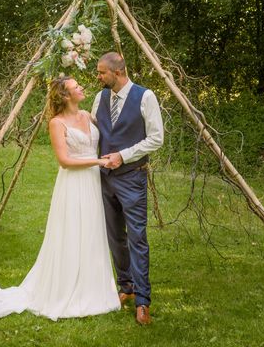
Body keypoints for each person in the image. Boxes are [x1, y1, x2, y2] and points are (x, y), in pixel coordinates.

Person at [0, 76, 121, 320]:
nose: (81, 88)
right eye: (76, 87)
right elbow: (65, 161)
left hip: (93, 182)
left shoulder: (89, 116)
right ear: (65, 96)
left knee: (92, 231)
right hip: (73, 183)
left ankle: (93, 286)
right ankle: (66, 287)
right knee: (72, 232)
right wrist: (99, 161)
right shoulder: (57, 123)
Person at [91, 52, 164, 325]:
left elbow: (157, 138)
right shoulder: (100, 98)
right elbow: (97, 132)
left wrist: (123, 155)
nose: (98, 77)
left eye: (101, 73)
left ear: (118, 72)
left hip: (132, 177)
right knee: (114, 237)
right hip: (105, 178)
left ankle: (143, 301)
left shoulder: (145, 97)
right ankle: (126, 287)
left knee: (137, 238)